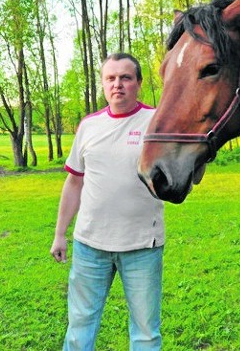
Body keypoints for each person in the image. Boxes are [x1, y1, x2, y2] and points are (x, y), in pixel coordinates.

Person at [50, 53, 164, 351]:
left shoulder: (156, 121)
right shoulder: (89, 126)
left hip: (142, 247)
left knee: (146, 333)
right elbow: (74, 182)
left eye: (126, 77)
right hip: (90, 246)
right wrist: (60, 234)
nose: (118, 85)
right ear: (103, 84)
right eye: (110, 78)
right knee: (79, 328)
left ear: (138, 83)